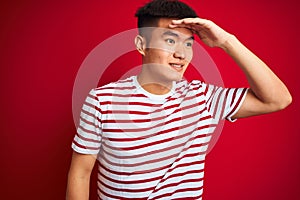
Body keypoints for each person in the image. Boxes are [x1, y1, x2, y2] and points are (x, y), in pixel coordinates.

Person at [66, 0, 292, 199]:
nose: (182, 54)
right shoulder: (102, 100)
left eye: (188, 43)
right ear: (142, 45)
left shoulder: (203, 98)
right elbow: (81, 173)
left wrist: (227, 41)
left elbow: (278, 100)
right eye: (170, 41)